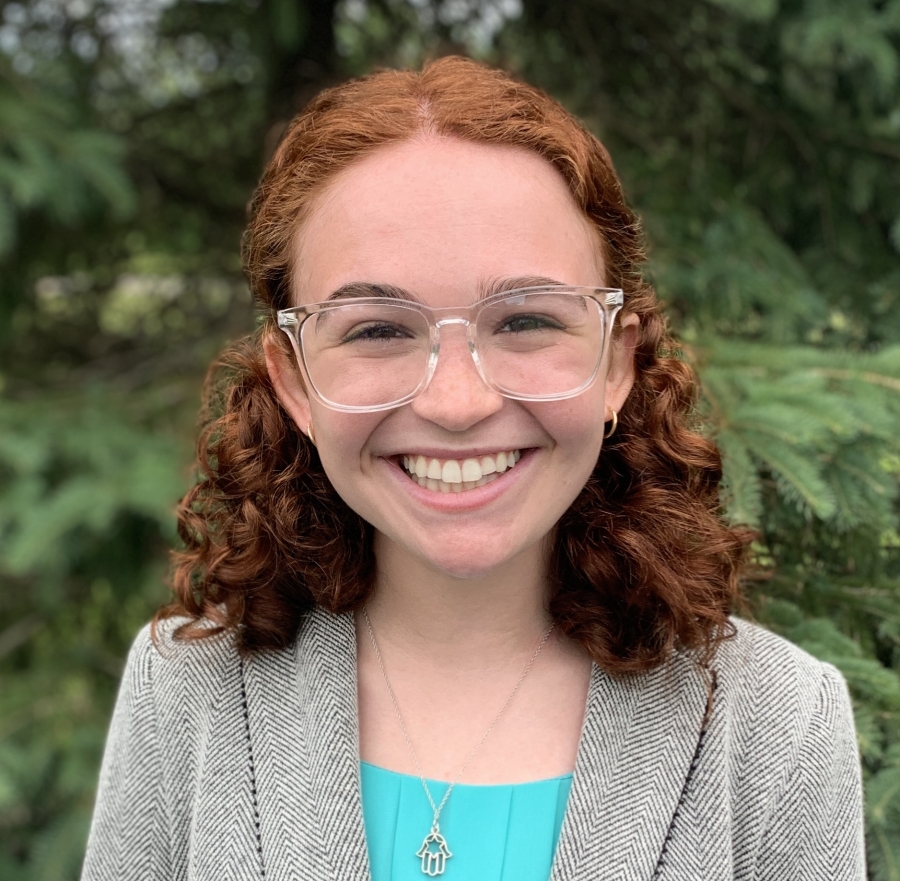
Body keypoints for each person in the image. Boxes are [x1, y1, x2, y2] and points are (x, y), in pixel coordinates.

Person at [80, 56, 865, 881]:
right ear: (294, 380)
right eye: (378, 329)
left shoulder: (779, 723)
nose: (457, 402)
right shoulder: (185, 693)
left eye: (525, 319)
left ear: (617, 363)